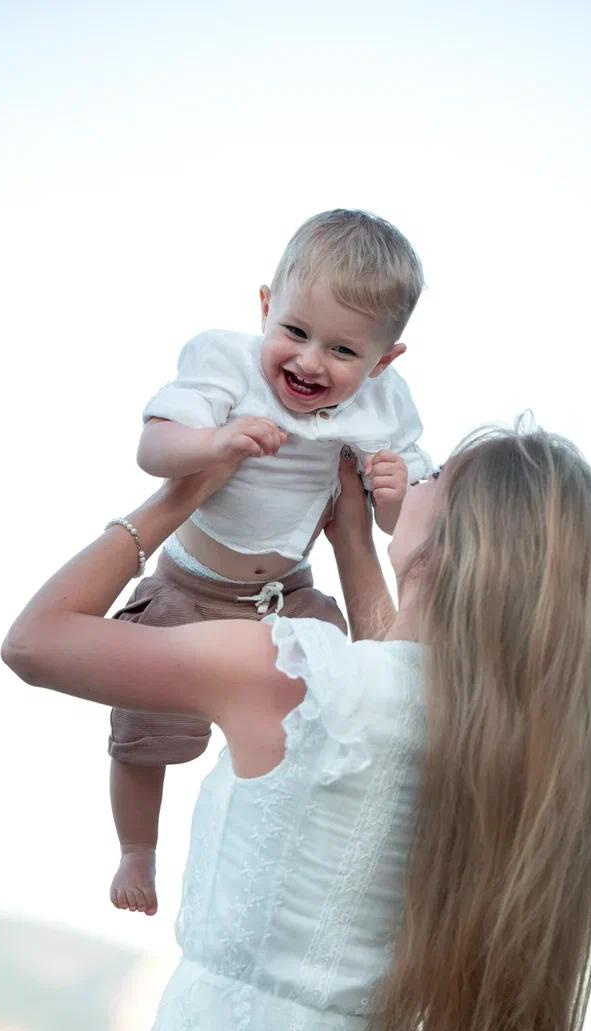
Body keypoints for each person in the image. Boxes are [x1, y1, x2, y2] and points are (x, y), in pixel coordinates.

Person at [2, 422, 591, 1031]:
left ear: (452, 542)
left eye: (435, 477)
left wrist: (181, 496)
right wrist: (352, 544)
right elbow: (389, 676)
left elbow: (34, 643)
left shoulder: (288, 673)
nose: (415, 477)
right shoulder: (498, 749)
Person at [108, 208, 432, 917]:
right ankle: (136, 848)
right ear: (265, 307)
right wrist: (212, 445)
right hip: (189, 588)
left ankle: (306, 842)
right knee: (142, 734)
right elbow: (153, 447)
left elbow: (402, 525)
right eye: (295, 331)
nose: (310, 362)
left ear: (382, 361)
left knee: (342, 706)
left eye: (343, 350)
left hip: (289, 594)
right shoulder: (226, 364)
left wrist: (391, 495)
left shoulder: (384, 406)